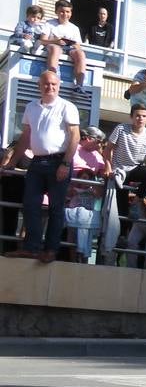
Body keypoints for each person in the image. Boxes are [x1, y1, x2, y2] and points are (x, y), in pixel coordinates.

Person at [3, 71, 80, 261]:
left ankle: (51, 250)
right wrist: (12, 163)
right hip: (37, 163)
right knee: (30, 205)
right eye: (46, 84)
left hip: (58, 161)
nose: (50, 87)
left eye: (54, 84)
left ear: (59, 85)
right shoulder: (31, 107)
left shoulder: (67, 106)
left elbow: (75, 137)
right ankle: (32, 248)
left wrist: (65, 163)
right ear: (39, 85)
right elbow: (25, 138)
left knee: (56, 208)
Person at [99, 105, 146, 264]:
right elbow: (107, 149)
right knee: (119, 210)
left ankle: (137, 200)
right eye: (138, 115)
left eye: (144, 116)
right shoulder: (121, 129)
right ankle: (116, 247)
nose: (141, 119)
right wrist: (108, 167)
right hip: (119, 170)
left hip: (136, 169)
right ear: (132, 116)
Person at [40, 0, 88, 90]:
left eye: (67, 12)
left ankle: (79, 85)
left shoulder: (74, 28)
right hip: (53, 46)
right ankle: (52, 77)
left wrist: (73, 44)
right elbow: (43, 40)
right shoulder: (49, 23)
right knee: (56, 49)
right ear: (56, 12)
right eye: (62, 11)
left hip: (68, 48)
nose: (65, 14)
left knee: (80, 53)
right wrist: (56, 41)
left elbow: (78, 45)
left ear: (71, 13)